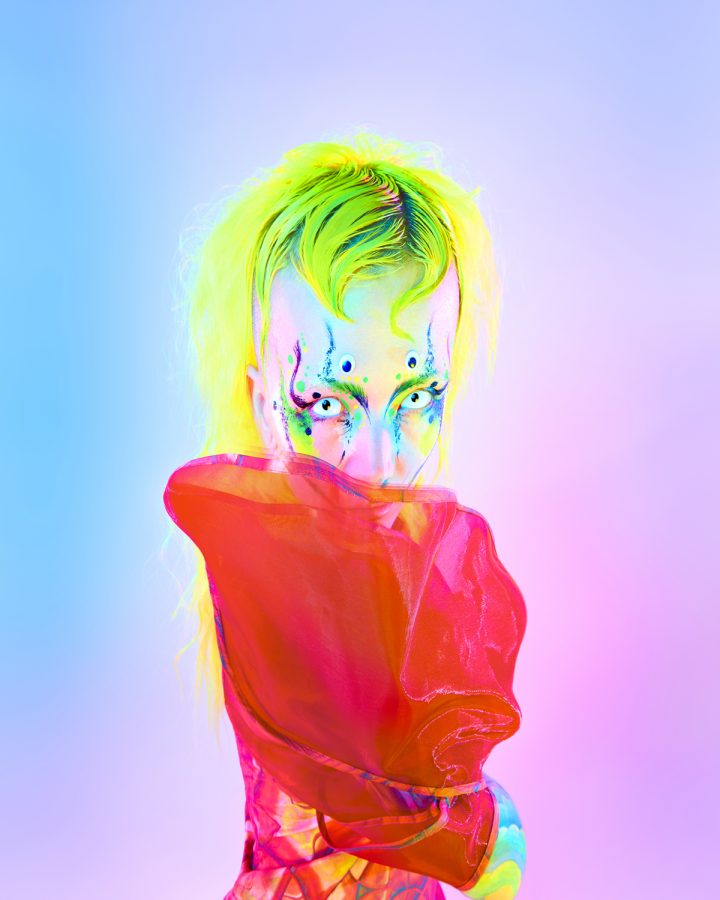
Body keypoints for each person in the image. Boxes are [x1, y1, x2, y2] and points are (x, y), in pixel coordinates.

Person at [164, 132, 527, 898]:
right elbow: (398, 817)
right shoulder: (277, 584)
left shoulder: (403, 570)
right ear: (262, 401)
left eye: (417, 397)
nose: (378, 461)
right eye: (328, 404)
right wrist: (497, 834)